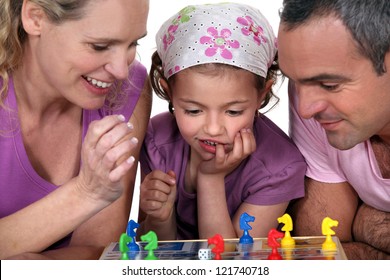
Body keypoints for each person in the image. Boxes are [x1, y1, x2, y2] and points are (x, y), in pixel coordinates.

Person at [138, 3, 306, 241]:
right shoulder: (157, 140)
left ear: (261, 96)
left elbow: (231, 261)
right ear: (169, 92)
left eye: (234, 111)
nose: (214, 129)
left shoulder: (280, 167)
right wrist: (159, 218)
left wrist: (211, 179)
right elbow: (153, 249)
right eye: (194, 110)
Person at [0, 0, 151, 260]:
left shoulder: (128, 89)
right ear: (35, 18)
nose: (120, 70)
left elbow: (97, 251)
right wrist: (87, 193)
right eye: (100, 46)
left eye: (132, 43)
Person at [278, 0, 390, 259]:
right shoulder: (314, 105)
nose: (305, 110)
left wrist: (365, 224)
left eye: (329, 84)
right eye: (294, 81)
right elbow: (323, 254)